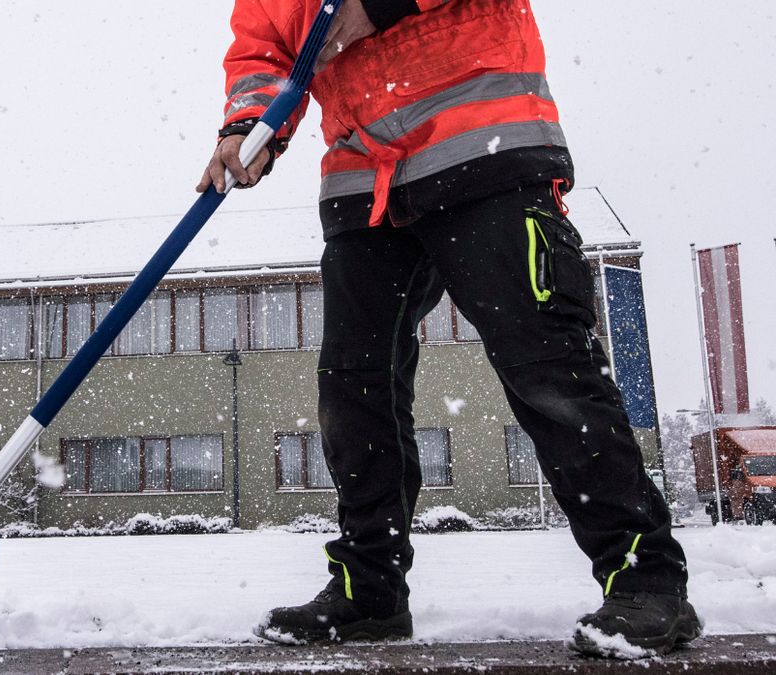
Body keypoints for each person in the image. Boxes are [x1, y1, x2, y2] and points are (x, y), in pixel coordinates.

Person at [197, 0, 700, 658]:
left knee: (546, 365)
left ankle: (646, 579)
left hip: (482, 145)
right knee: (354, 389)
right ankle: (369, 592)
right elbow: (264, 52)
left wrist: (379, 6)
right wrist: (246, 126)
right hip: (361, 178)